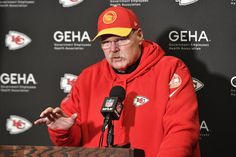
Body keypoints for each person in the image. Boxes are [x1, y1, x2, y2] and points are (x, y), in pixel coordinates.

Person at [34, 6, 200, 157]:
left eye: (121, 39)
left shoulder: (170, 69)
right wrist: (64, 130)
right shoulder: (87, 78)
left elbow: (181, 132)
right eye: (106, 42)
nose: (113, 49)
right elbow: (72, 145)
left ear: (139, 36)